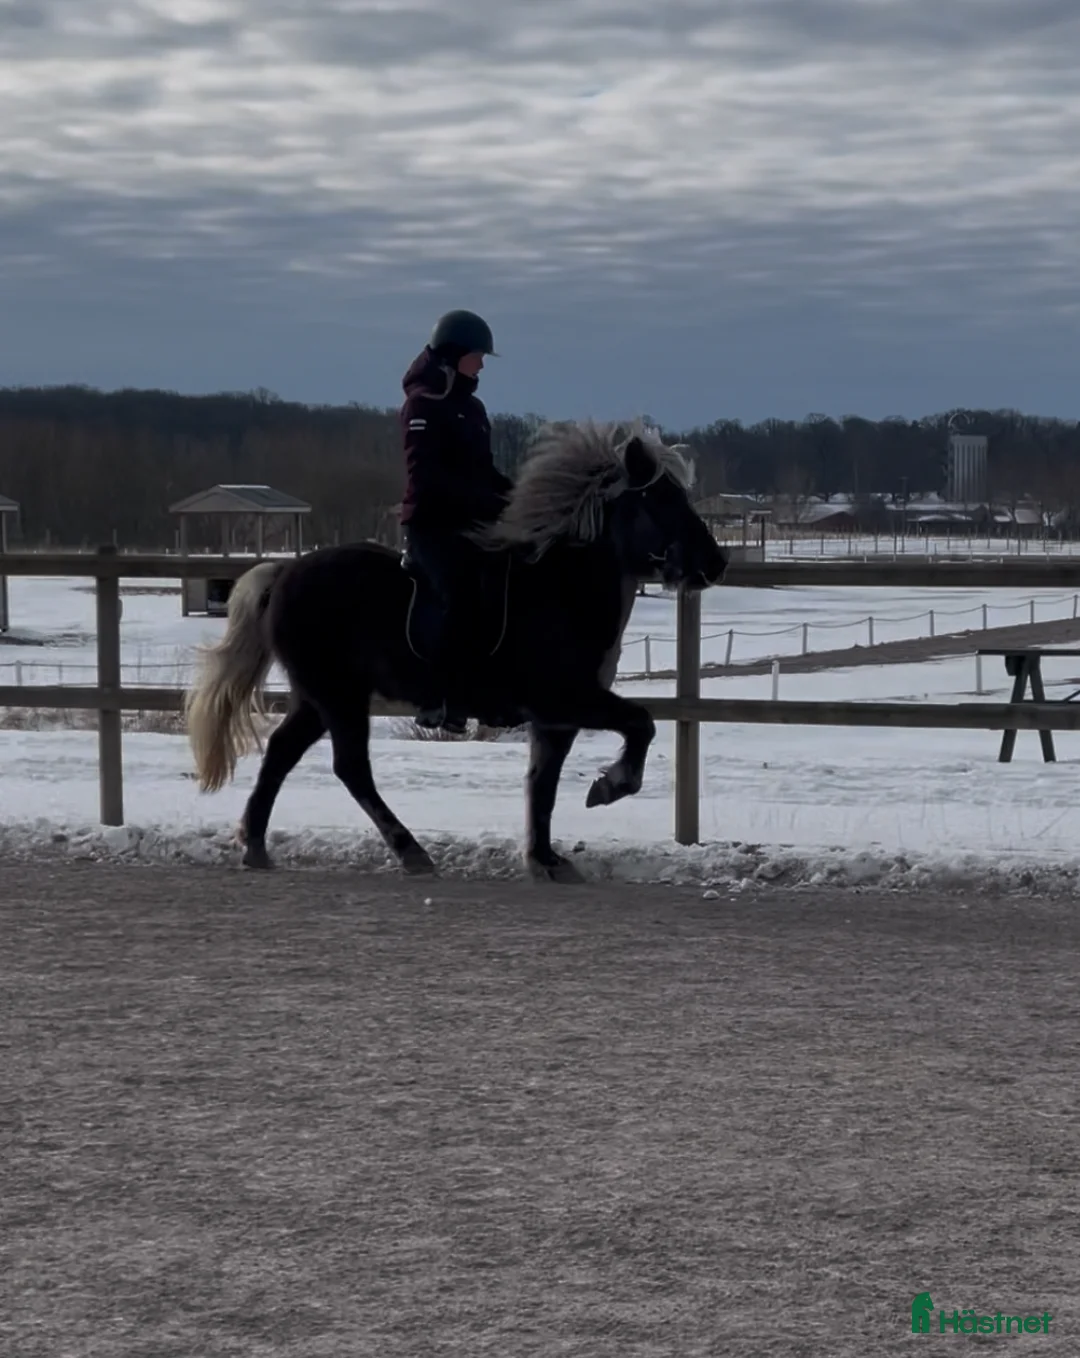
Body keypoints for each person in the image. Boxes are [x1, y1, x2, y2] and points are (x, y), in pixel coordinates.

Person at [399, 309, 514, 732]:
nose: (482, 364)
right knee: (461, 593)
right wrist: (484, 502)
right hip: (431, 524)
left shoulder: (474, 408)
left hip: (470, 522)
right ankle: (440, 697)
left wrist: (517, 495)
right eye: (477, 356)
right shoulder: (423, 403)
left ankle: (493, 688)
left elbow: (484, 471)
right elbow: (426, 477)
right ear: (453, 355)